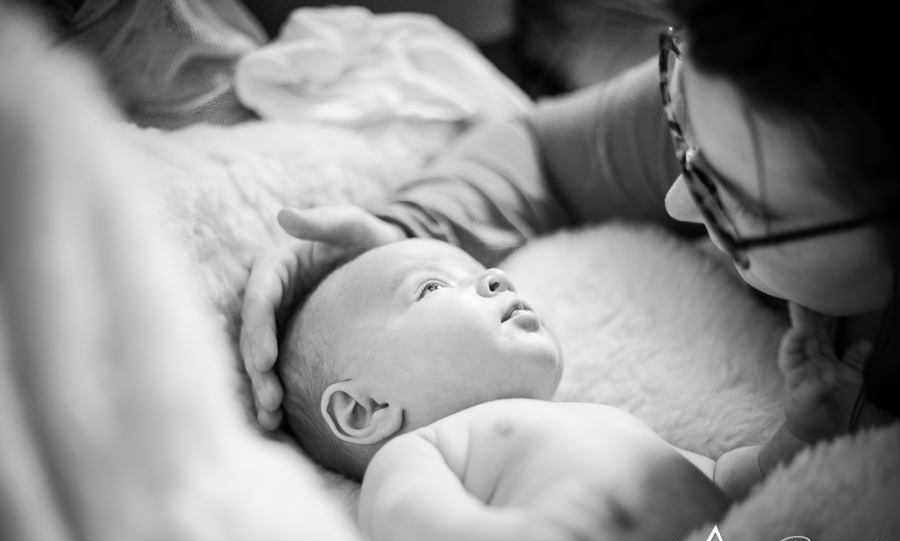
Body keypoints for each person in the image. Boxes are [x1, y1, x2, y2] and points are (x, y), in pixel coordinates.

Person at [241, 0, 899, 441]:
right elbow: (538, 150)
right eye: (679, 122)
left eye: (743, 203)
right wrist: (412, 232)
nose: (676, 202)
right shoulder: (749, 74)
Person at [274, 237, 866, 541]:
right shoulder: (426, 448)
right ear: (364, 409)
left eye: (478, 268)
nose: (494, 276)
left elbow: (732, 483)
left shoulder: (605, 420)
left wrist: (803, 432)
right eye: (430, 288)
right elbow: (411, 522)